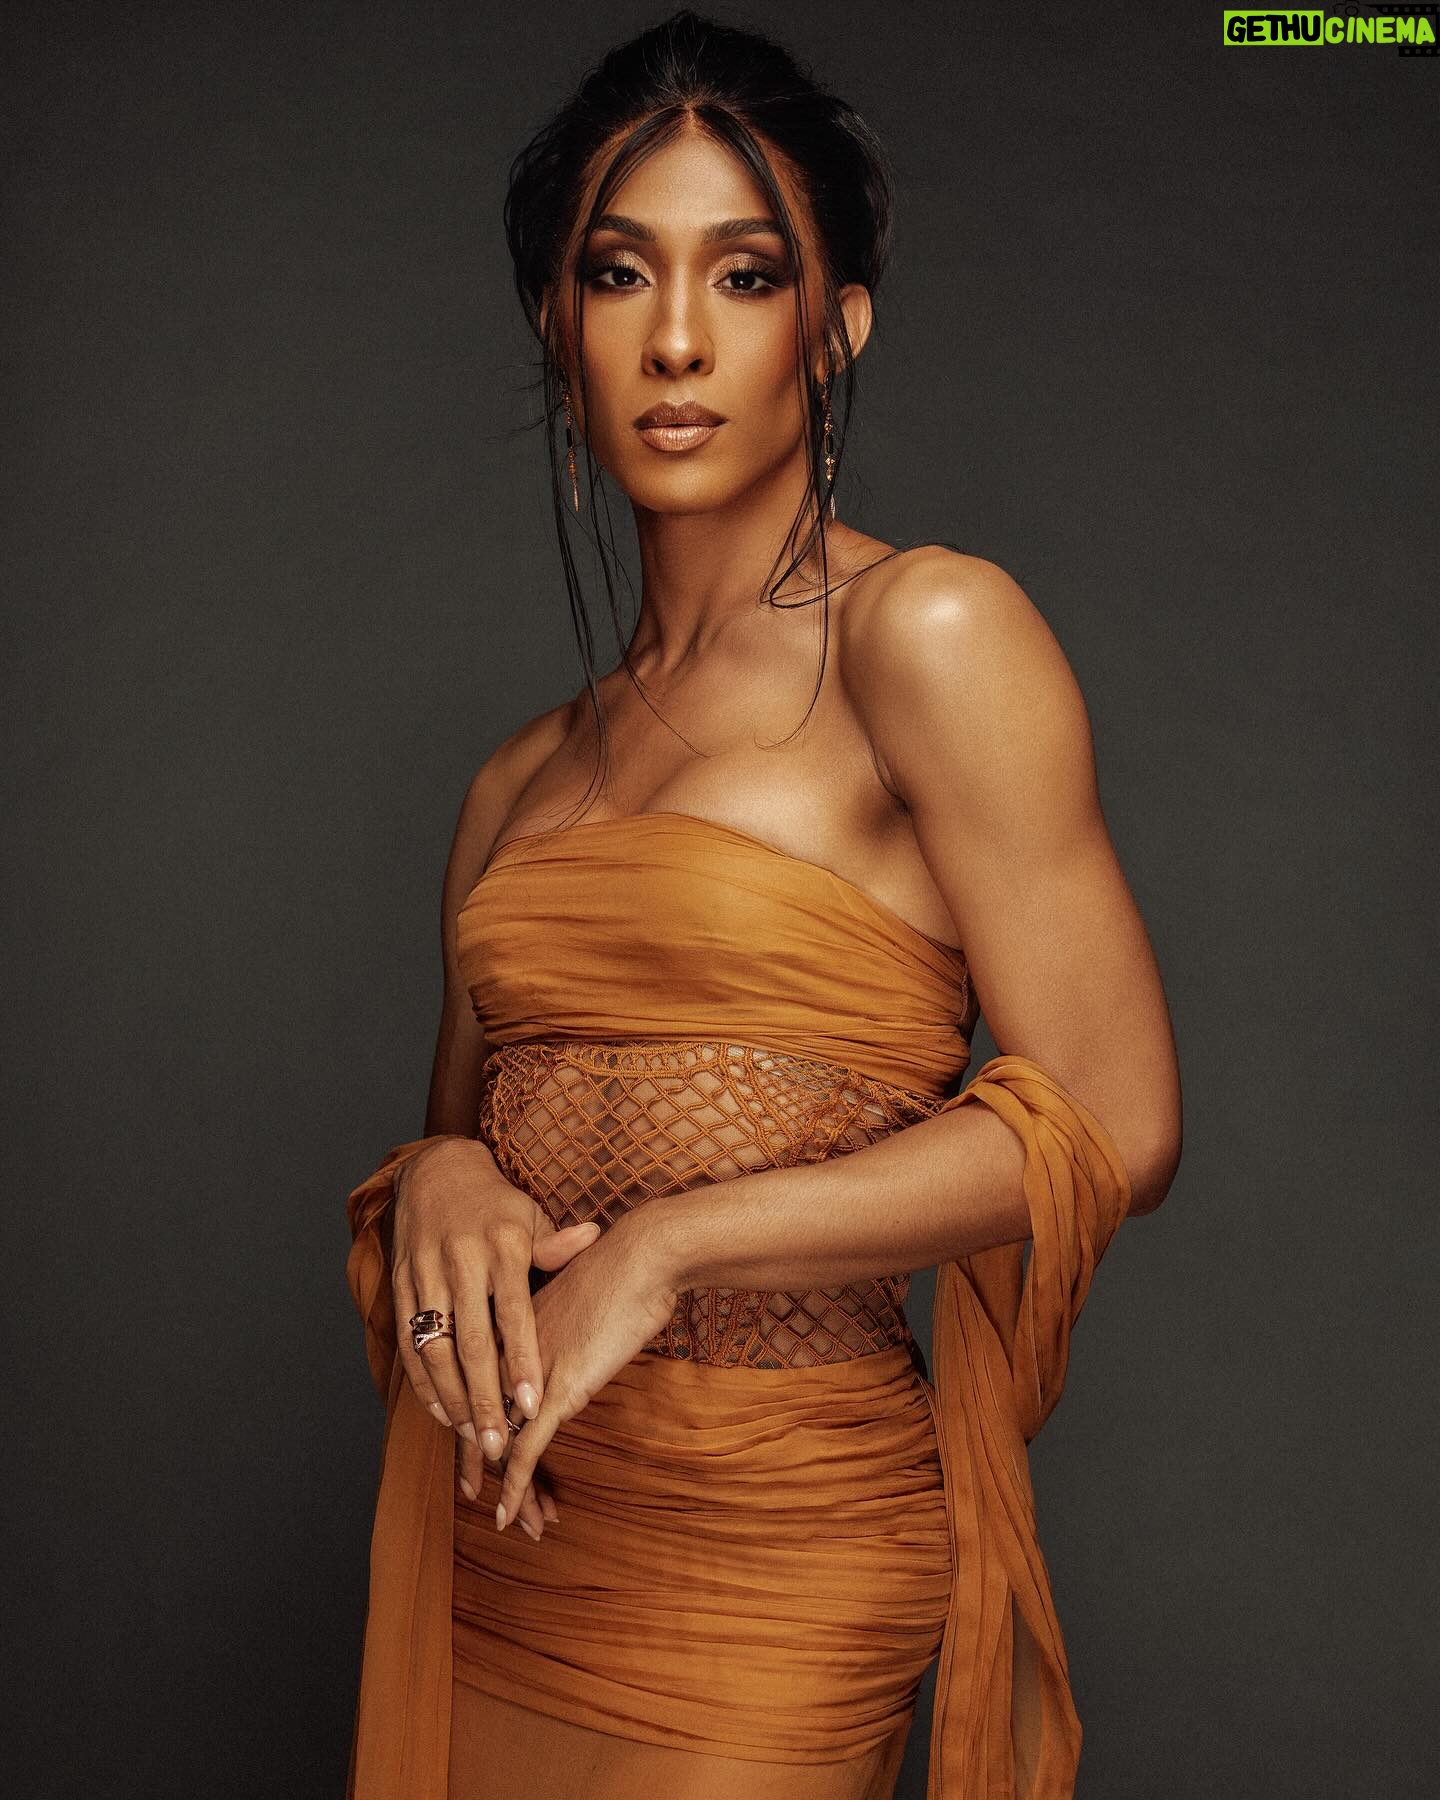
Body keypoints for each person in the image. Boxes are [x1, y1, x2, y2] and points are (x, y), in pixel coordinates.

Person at [342, 12, 1182, 1799]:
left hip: (778, 1547)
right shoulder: (518, 781)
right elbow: (473, 1163)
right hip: (516, 1530)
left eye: (744, 274)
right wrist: (438, 1177)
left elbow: (1116, 1121)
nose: (674, 337)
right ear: (556, 326)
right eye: (617, 273)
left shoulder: (927, 636)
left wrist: (673, 1244)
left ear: (837, 323)